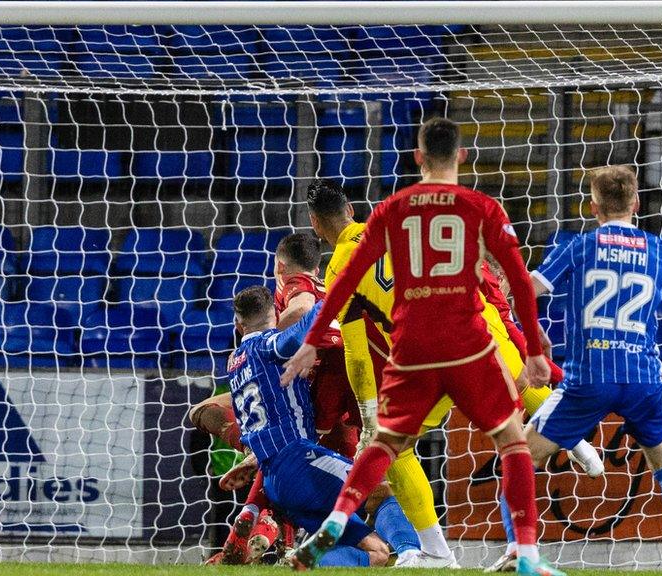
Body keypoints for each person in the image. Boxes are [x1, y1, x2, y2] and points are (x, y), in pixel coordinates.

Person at [283, 116, 564, 576]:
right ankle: (529, 557)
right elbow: (516, 278)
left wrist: (312, 340)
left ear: (417, 158)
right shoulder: (482, 207)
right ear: (461, 156)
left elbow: (345, 282)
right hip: (467, 345)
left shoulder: (393, 209)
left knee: (387, 445)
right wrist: (533, 349)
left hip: (411, 349)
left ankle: (336, 522)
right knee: (512, 442)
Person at [527, 165, 662, 576]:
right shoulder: (660, 250)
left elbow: (523, 290)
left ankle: (519, 551)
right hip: (643, 380)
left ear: (592, 205)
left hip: (588, 377)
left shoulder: (578, 246)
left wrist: (536, 339)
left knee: (520, 457)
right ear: (636, 203)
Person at [227, 286, 421, 567]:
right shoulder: (268, 347)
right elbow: (294, 335)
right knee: (378, 489)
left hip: (273, 480)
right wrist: (334, 295)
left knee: (377, 554)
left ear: (238, 324)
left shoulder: (233, 363)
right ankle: (414, 555)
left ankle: (298, 563)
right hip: (298, 461)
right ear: (276, 314)